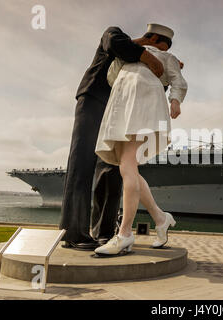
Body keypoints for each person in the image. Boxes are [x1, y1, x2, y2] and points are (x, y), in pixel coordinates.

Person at [60, 26, 166, 250]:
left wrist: (166, 71)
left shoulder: (142, 65)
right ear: (152, 38)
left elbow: (149, 90)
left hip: (118, 112)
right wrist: (148, 57)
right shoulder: (118, 35)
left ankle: (103, 233)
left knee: (112, 172)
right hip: (94, 101)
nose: (158, 55)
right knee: (82, 163)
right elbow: (114, 43)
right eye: (158, 48)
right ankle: (74, 232)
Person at [94, 23, 188, 255]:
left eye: (151, 38)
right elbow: (112, 76)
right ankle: (160, 217)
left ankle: (125, 234)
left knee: (126, 165)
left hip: (143, 102)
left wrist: (175, 99)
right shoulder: (130, 57)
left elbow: (177, 80)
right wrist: (136, 48)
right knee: (130, 168)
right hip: (123, 103)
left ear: (158, 40)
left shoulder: (167, 57)